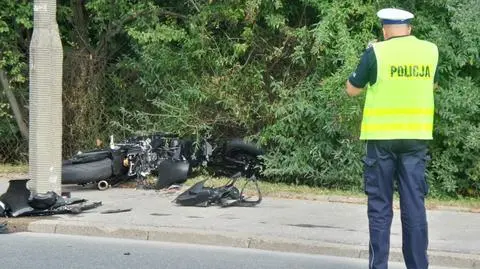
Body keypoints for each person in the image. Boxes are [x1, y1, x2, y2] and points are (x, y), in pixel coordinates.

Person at [345, 8, 439, 269]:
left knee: (380, 207)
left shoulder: (376, 52)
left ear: (385, 30)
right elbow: (433, 85)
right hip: (416, 138)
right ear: (409, 28)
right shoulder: (430, 51)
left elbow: (352, 90)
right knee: (414, 206)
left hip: (381, 140)